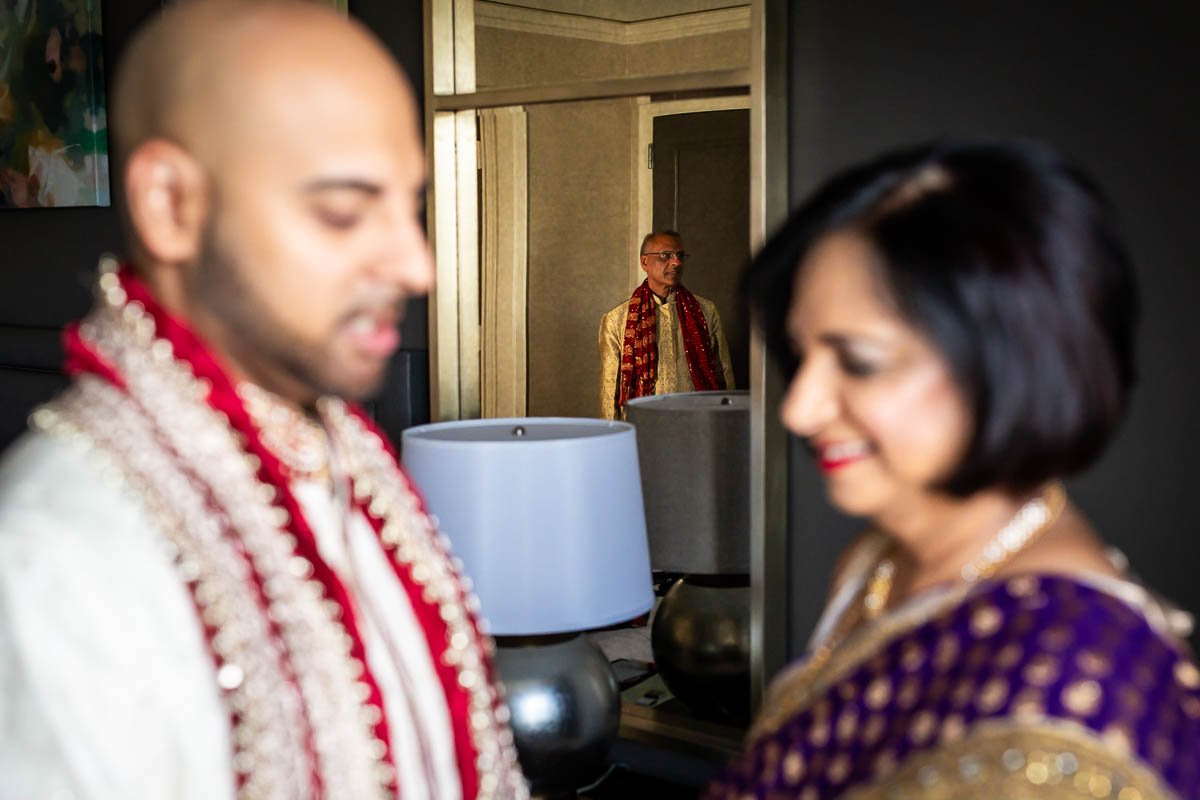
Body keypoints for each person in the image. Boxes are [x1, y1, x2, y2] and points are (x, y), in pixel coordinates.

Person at [0, 2, 527, 798]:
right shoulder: (53, 558)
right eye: (345, 211)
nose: (418, 266)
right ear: (171, 205)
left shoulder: (346, 455)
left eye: (409, 206)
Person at [705, 141, 1200, 799]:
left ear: (1010, 362)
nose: (798, 409)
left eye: (859, 362)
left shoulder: (1070, 694)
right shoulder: (876, 564)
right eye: (802, 355)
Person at [598, 230, 735, 420]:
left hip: (699, 422)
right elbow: (610, 389)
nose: (676, 262)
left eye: (680, 256)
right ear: (644, 262)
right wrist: (613, 437)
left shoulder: (706, 311)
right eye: (665, 256)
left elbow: (724, 375)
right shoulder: (617, 319)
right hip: (644, 425)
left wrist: (727, 423)